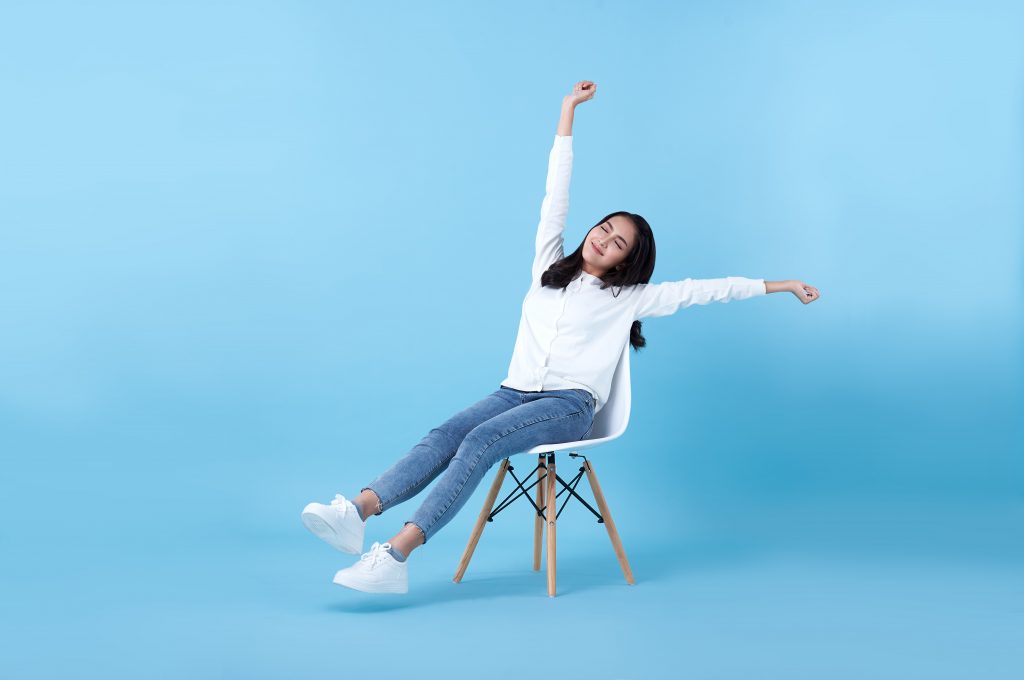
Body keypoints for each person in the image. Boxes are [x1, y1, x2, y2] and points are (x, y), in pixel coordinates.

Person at [301, 80, 821, 594]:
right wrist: (568, 111)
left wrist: (782, 285)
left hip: (570, 403)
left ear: (627, 260)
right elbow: (556, 191)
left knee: (481, 441)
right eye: (604, 229)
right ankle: (358, 512)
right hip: (514, 390)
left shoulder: (631, 297)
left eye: (618, 243)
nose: (603, 239)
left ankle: (396, 555)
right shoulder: (549, 265)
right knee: (444, 435)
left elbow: (708, 291)